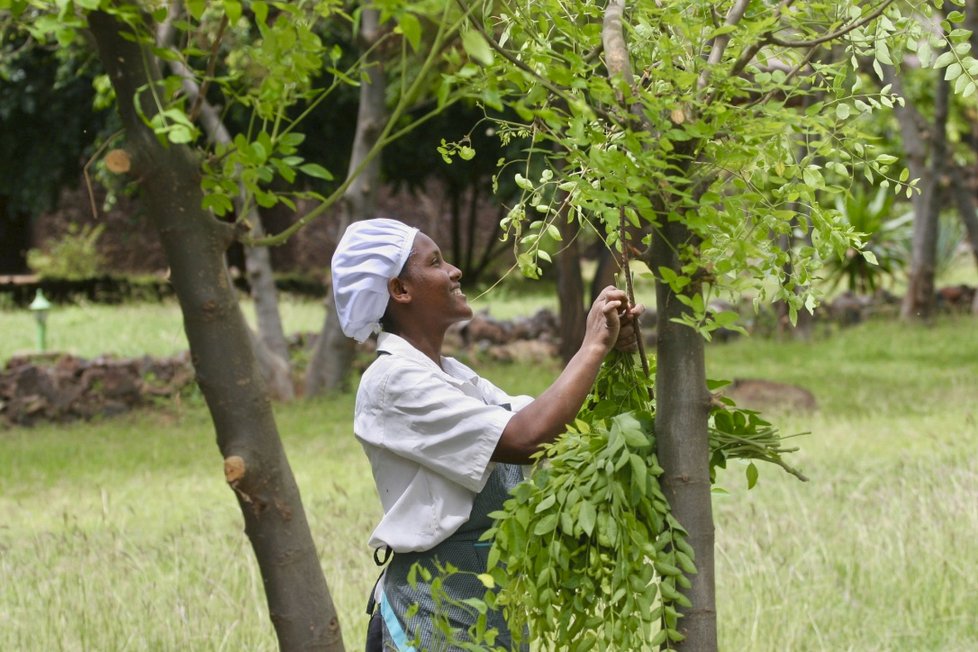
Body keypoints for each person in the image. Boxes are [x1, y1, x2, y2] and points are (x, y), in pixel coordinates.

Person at [330, 218, 642, 652]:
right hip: (433, 612)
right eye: (436, 262)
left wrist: (605, 351)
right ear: (400, 290)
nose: (455, 271)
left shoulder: (450, 374)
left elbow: (547, 422)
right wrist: (591, 347)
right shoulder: (391, 383)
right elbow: (526, 438)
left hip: (489, 603)